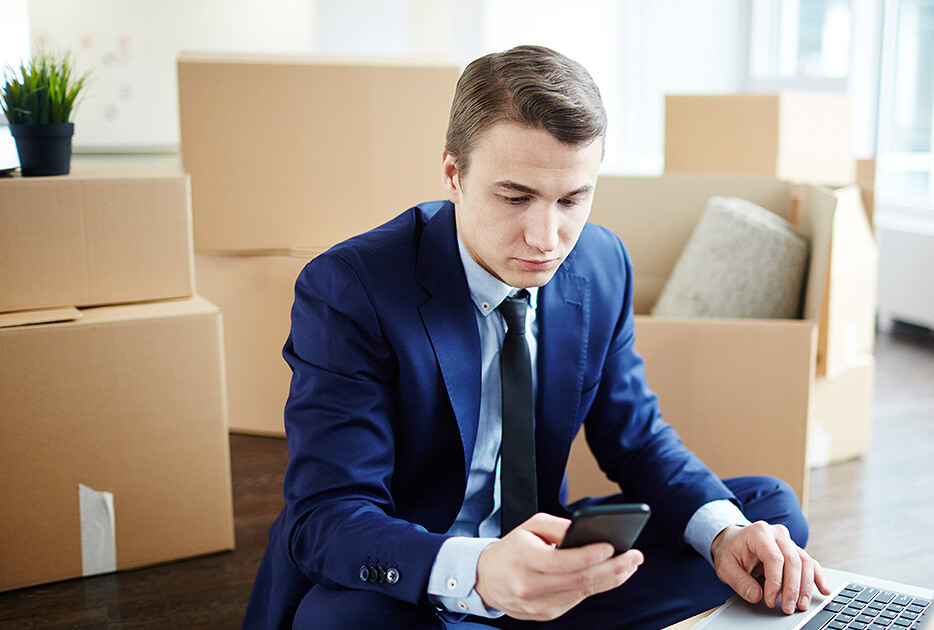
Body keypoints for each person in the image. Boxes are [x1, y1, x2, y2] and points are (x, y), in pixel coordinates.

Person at [243, 44, 830, 630]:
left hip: (548, 568)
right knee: (344, 621)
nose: (547, 238)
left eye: (572, 199)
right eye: (516, 197)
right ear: (454, 172)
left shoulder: (602, 264)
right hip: (427, 580)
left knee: (764, 522)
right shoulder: (349, 288)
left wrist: (724, 533)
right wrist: (477, 572)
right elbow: (327, 516)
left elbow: (636, 438)